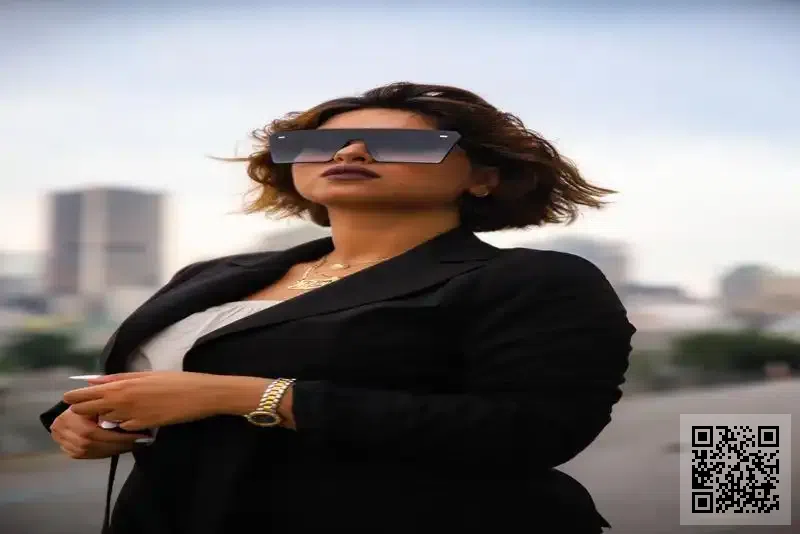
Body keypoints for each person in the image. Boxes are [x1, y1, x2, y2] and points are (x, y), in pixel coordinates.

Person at [40, 82, 635, 534]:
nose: (349, 151)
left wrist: (250, 396)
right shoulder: (215, 275)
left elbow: (533, 431)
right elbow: (158, 377)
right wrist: (80, 420)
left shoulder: (535, 280)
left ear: (481, 178)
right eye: (319, 144)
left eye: (400, 143)